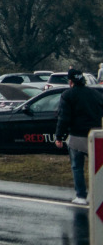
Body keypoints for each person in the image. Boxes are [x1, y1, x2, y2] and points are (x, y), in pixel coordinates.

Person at [55, 67, 103, 205]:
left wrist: (59, 137)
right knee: (98, 167)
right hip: (95, 136)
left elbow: (64, 118)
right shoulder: (95, 94)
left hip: (76, 136)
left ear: (70, 81)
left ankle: (81, 196)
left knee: (77, 167)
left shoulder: (67, 95)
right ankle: (99, 195)